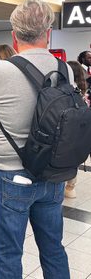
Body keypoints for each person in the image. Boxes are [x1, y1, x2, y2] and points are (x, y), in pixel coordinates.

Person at [0, 0, 72, 279]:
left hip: (11, 176)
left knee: (8, 255)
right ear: (48, 33)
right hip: (53, 175)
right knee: (53, 249)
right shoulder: (65, 70)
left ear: (14, 36)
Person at [64, 61, 89, 199]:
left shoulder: (64, 89)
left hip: (65, 130)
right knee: (74, 160)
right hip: (79, 131)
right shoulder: (82, 92)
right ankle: (70, 186)